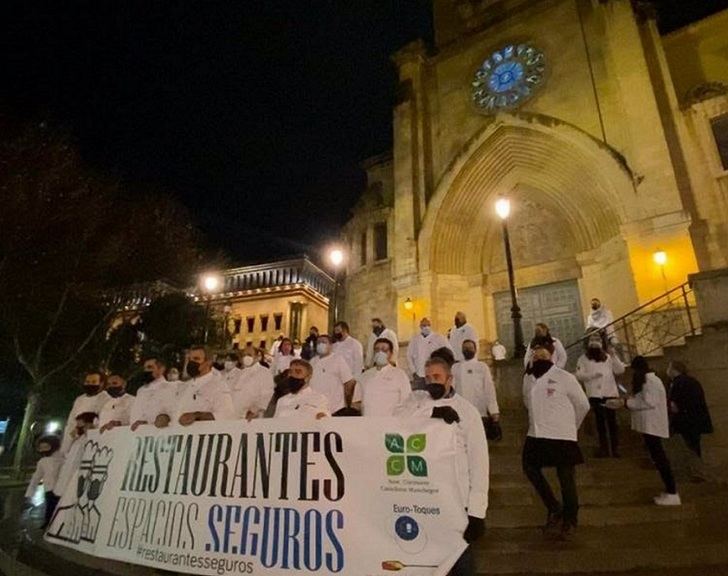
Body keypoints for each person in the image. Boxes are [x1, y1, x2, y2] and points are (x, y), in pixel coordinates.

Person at [394, 356, 488, 576]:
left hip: (458, 499)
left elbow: (479, 462)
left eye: (437, 377)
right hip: (424, 497)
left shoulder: (467, 411)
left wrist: (477, 510)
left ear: (449, 378)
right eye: (428, 378)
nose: (432, 382)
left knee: (460, 562)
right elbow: (398, 420)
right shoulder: (417, 402)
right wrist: (431, 414)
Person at [522, 337, 590, 540]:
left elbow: (583, 405)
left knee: (566, 478)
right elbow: (527, 401)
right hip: (536, 434)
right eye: (536, 354)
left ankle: (570, 520)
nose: (539, 356)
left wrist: (572, 427)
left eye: (544, 354)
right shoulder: (528, 378)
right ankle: (554, 507)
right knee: (529, 467)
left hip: (561, 435)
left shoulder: (564, 377)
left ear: (551, 356)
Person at [607, 356, 680, 506]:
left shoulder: (650, 381)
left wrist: (625, 403)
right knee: (658, 457)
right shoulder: (649, 380)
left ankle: (672, 492)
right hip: (649, 425)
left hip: (652, 425)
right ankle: (670, 491)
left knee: (660, 458)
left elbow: (649, 401)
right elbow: (644, 398)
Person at [575, 332, 624, 458]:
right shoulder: (583, 359)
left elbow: (619, 370)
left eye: (597, 339)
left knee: (612, 423)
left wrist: (614, 356)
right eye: (592, 339)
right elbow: (579, 375)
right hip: (595, 395)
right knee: (600, 423)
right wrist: (591, 375)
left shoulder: (608, 357)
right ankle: (604, 448)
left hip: (610, 393)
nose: (595, 341)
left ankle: (615, 448)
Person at [171, 345, 235, 426]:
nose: (191, 363)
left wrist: (197, 416)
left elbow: (227, 415)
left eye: (196, 359)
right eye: (189, 359)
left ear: (208, 362)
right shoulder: (184, 387)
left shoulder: (219, 386)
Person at [453, 340, 501, 440]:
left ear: (475, 350)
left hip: (479, 411)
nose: (467, 350)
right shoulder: (455, 367)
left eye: (470, 348)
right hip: (461, 411)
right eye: (465, 348)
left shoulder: (482, 367)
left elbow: (489, 389)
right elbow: (451, 389)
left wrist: (494, 411)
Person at [667, 361, 713, 460]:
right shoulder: (693, 381)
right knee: (695, 447)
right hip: (697, 420)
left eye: (669, 368)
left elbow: (674, 406)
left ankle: (695, 470)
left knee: (688, 449)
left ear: (674, 370)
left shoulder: (677, 383)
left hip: (685, 422)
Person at [352, 338, 411, 416]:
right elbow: (356, 402)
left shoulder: (400, 374)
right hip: (368, 422)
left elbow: (407, 401)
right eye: (377, 350)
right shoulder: (365, 376)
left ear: (391, 353)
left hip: (392, 423)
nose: (380, 352)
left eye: (384, 350)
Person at [51, 412, 98, 505]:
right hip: (67, 480)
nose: (78, 428)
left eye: (81, 425)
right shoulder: (79, 440)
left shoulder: (94, 439)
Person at [60, 371, 110, 453]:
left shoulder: (106, 399)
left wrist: (87, 423)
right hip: (75, 440)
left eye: (94, 382)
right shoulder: (79, 400)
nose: (90, 384)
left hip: (94, 440)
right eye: (87, 382)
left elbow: (102, 419)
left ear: (101, 384)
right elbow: (71, 422)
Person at [311, 334, 357, 415]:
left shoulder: (338, 359)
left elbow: (349, 382)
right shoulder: (312, 361)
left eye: (323, 342)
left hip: (335, 408)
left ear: (331, 345)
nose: (320, 344)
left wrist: (348, 401)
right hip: (315, 407)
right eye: (318, 342)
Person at [25, 435, 63, 527]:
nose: (44, 450)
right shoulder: (42, 462)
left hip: (61, 488)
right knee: (50, 506)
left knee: (58, 507)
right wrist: (29, 493)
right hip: (49, 489)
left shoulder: (62, 459)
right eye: (42, 448)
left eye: (46, 447)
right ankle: (48, 523)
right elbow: (36, 477)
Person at [230, 345, 275, 420]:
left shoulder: (264, 372)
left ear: (257, 357)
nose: (246, 357)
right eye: (244, 355)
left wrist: (254, 410)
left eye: (249, 355)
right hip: (232, 417)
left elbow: (266, 395)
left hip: (250, 418)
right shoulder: (237, 373)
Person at [407, 317, 451, 390]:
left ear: (430, 325)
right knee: (420, 396)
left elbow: (448, 353)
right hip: (419, 375)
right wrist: (413, 371)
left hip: (434, 375)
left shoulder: (439, 338)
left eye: (428, 325)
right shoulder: (415, 339)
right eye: (424, 325)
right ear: (420, 326)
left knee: (434, 396)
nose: (426, 327)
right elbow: (409, 355)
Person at [130, 356, 172, 431]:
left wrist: (148, 422)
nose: (146, 371)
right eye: (145, 368)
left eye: (150, 367)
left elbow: (170, 414)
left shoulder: (170, 388)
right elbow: (134, 415)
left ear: (161, 369)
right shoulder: (141, 391)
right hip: (139, 434)